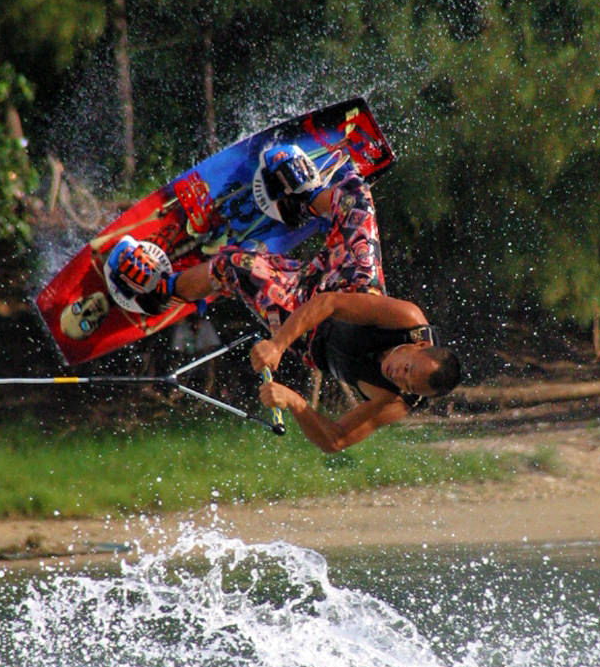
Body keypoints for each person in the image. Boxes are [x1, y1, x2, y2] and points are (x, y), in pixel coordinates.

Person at [105, 142, 461, 452]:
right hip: (347, 285)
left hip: (308, 334)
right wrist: (275, 346)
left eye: (406, 383)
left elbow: (334, 441)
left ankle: (161, 291)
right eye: (408, 368)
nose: (398, 374)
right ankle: (302, 201)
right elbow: (330, 303)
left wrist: (294, 401)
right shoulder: (409, 320)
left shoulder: (394, 402)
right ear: (419, 346)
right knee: (356, 196)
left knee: (236, 264)